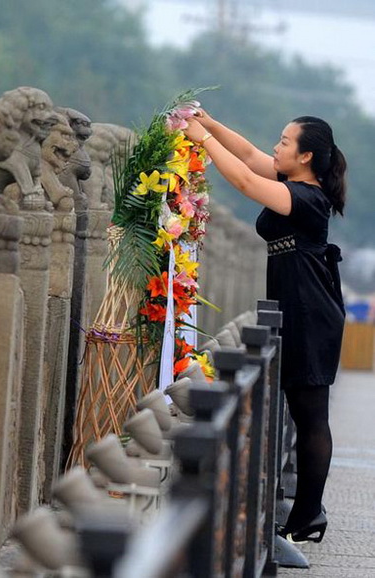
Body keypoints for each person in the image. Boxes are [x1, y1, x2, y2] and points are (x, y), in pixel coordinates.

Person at [183, 112, 346, 544]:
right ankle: (305, 512)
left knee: (311, 414)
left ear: (306, 155)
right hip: (293, 308)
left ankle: (308, 515)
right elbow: (249, 156)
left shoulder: (309, 198)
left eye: (285, 141)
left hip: (311, 313)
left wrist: (201, 141)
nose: (276, 147)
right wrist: (210, 124)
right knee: (300, 409)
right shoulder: (290, 182)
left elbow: (243, 181)